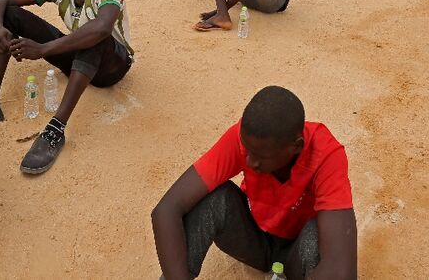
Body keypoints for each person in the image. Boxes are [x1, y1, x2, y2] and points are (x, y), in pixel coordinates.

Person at [151, 86, 357, 280]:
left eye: (260, 156)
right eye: (247, 150)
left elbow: (341, 270)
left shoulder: (325, 155)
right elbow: (166, 210)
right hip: (255, 241)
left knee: (318, 236)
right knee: (215, 199)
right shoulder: (246, 139)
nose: (249, 161)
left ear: (296, 146)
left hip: (298, 251)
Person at [0, 0, 133, 174]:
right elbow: (0, 2)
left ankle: (55, 129)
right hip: (78, 56)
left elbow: (102, 28)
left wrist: (43, 49)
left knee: (94, 35)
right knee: (10, 13)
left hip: (112, 65)